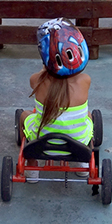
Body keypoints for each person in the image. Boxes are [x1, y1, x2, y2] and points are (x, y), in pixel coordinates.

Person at [19, 18, 93, 182]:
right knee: (88, 115)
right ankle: (82, 167)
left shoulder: (38, 81)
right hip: (77, 143)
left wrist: (46, 66)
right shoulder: (84, 81)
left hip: (42, 143)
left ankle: (32, 168)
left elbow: (37, 79)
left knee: (24, 115)